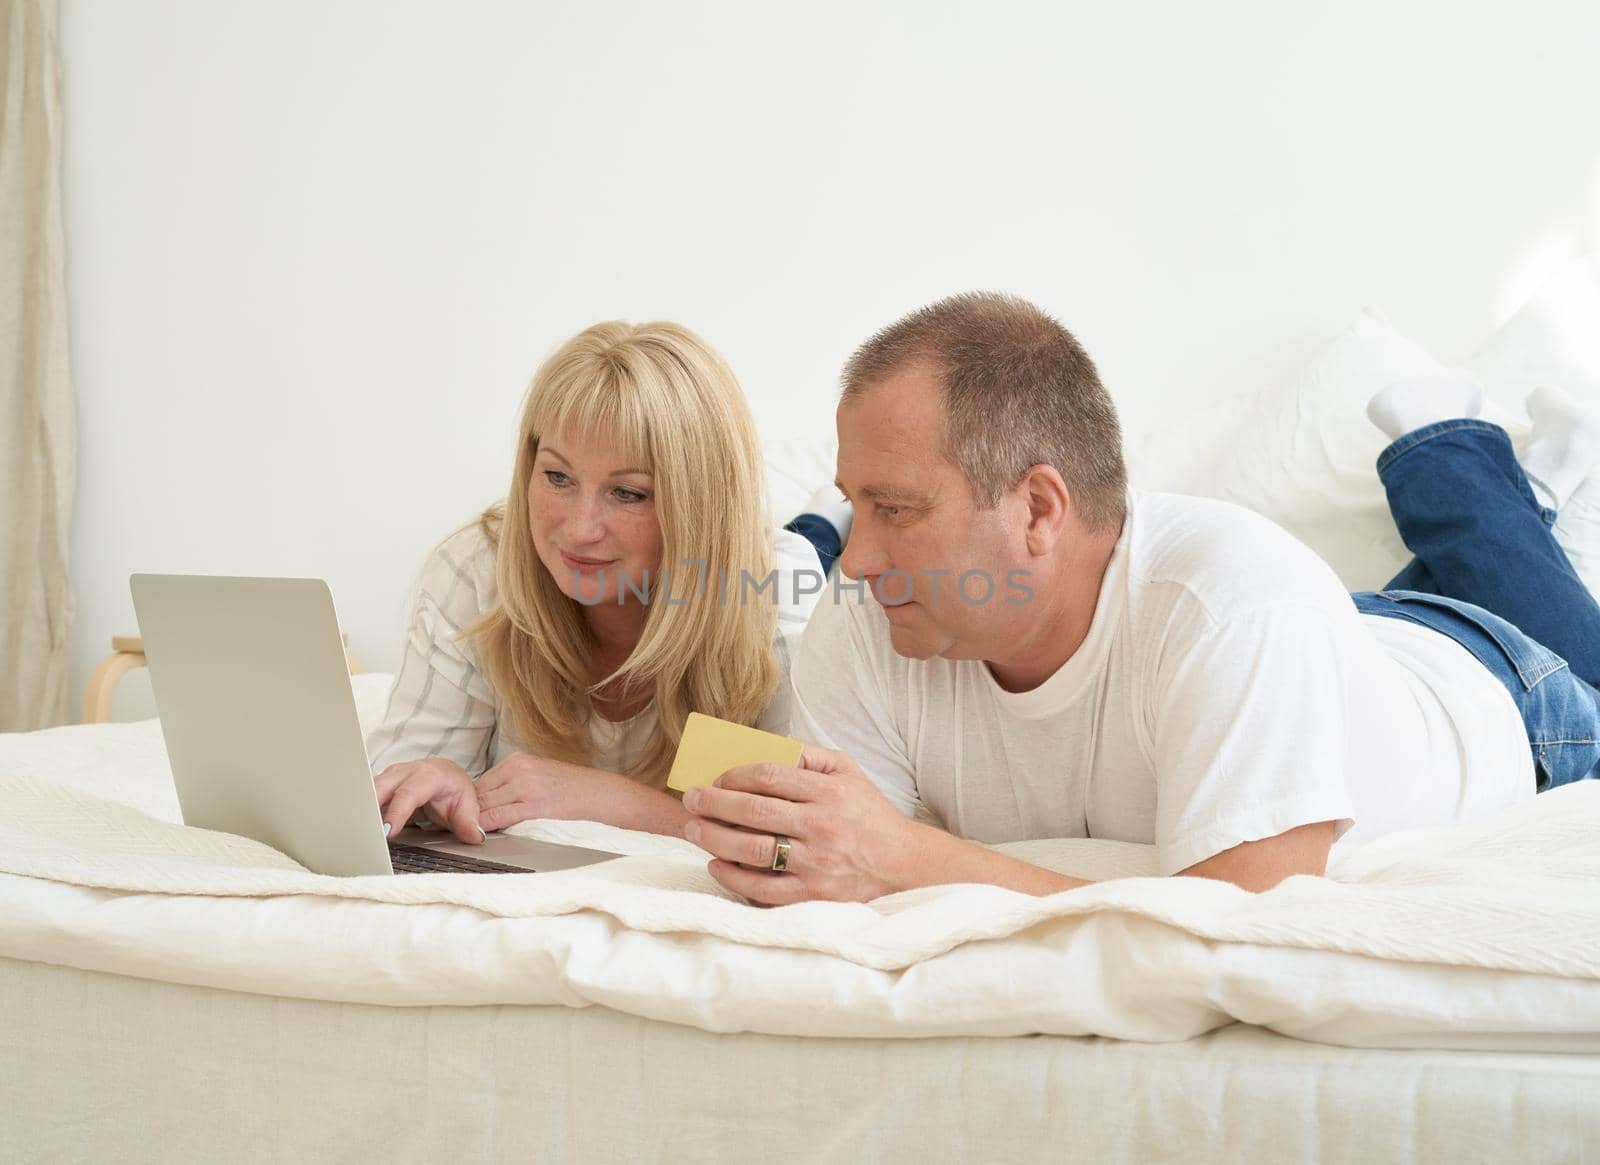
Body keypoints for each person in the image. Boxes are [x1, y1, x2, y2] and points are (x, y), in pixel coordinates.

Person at [681, 291, 1600, 903]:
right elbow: (825, 845)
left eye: (896, 509)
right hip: (1318, 650)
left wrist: (907, 857)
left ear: (1039, 507)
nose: (857, 560)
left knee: (1501, 584)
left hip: (1503, 692)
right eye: (853, 508)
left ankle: (1451, 441)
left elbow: (1235, 930)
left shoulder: (1241, 606)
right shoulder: (870, 613)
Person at [366, 321, 826, 843]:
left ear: (701, 506)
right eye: (557, 478)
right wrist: (439, 783)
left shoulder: (772, 586)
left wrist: (606, 800)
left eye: (628, 493)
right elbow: (386, 792)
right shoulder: (478, 566)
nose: (580, 529)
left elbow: (798, 834)